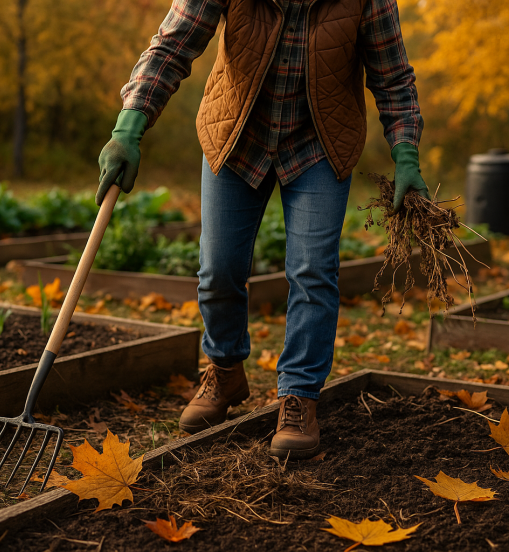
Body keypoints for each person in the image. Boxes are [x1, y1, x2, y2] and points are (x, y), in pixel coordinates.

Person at [95, 0, 427, 460]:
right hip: (236, 135)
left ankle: (299, 397)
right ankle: (225, 370)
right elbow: (173, 46)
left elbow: (392, 78)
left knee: (313, 270)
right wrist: (129, 127)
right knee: (218, 268)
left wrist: (406, 153)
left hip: (319, 144)